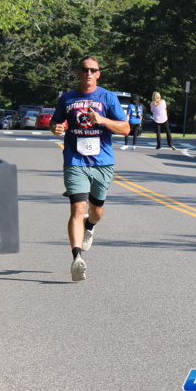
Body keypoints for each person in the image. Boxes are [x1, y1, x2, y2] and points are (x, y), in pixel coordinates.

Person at [50, 56, 130, 281]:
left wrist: (102, 120)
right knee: (77, 208)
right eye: (84, 69)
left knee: (97, 211)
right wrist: (55, 128)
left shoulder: (108, 97)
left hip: (102, 162)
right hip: (75, 161)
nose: (88, 73)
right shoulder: (67, 98)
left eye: (93, 70)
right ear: (78, 72)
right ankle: (77, 258)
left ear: (98, 74)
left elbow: (125, 128)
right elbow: (55, 122)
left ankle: (90, 225)